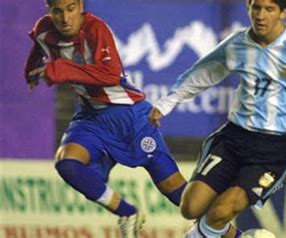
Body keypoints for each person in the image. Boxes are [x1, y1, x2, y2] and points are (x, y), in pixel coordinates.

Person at [149, 0, 286, 237]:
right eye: (256, 7)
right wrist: (167, 102)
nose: (261, 15)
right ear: (248, 8)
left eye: (269, 9)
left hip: (276, 149)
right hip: (235, 137)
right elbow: (205, 71)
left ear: (283, 13)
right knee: (191, 208)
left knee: (220, 212)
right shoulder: (238, 44)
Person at [24, 0, 187, 237]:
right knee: (67, 163)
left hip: (130, 118)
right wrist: (31, 69)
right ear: (49, 10)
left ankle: (237, 235)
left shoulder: (95, 28)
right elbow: (40, 46)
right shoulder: (44, 29)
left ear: (80, 5)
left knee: (184, 200)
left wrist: (59, 69)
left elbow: (110, 75)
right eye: (57, 11)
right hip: (91, 117)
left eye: (70, 9)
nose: (65, 18)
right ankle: (128, 213)